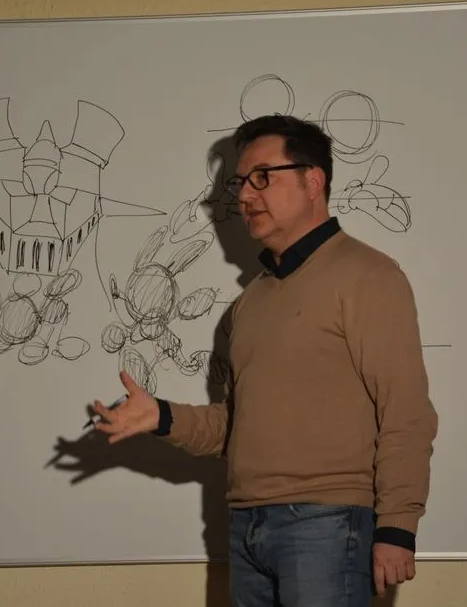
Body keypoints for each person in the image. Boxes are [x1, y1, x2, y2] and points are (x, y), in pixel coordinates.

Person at [90, 114, 439, 607]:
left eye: (262, 177)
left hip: (328, 525)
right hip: (246, 527)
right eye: (240, 182)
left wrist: (398, 527)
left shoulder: (368, 276)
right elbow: (237, 428)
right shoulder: (250, 302)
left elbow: (406, 411)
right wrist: (161, 417)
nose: (245, 196)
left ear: (312, 181)